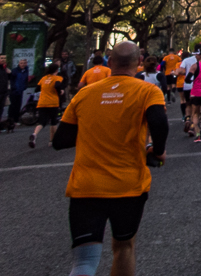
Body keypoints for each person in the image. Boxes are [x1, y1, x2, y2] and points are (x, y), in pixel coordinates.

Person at [53, 41, 168, 276]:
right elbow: (158, 122)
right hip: (128, 186)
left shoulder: (84, 94)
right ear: (138, 64)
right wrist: (158, 151)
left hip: (86, 186)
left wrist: (94, 127)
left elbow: (60, 140)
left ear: (110, 63)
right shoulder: (147, 91)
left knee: (84, 259)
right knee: (124, 247)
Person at [30, 62, 66, 148]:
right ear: (57, 70)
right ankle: (52, 140)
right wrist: (60, 91)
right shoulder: (58, 78)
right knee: (53, 122)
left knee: (41, 122)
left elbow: (37, 89)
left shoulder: (43, 78)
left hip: (42, 102)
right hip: (53, 103)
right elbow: (57, 85)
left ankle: (34, 134)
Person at [176, 45, 201, 135]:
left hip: (187, 85)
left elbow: (182, 71)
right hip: (196, 86)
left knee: (188, 104)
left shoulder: (186, 60)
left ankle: (187, 118)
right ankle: (192, 127)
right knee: (196, 108)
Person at [7, 57, 33, 131]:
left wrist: (24, 87)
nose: (23, 64)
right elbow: (12, 79)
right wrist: (13, 88)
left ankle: (16, 120)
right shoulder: (15, 71)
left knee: (18, 105)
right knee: (12, 106)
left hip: (20, 90)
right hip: (14, 90)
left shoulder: (25, 71)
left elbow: (25, 80)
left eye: (24, 63)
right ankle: (10, 120)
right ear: (19, 64)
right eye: (21, 63)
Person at [0, 55, 8, 127]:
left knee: (1, 109)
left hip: (3, 92)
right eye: (1, 58)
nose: (3, 60)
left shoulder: (4, 69)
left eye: (4, 58)